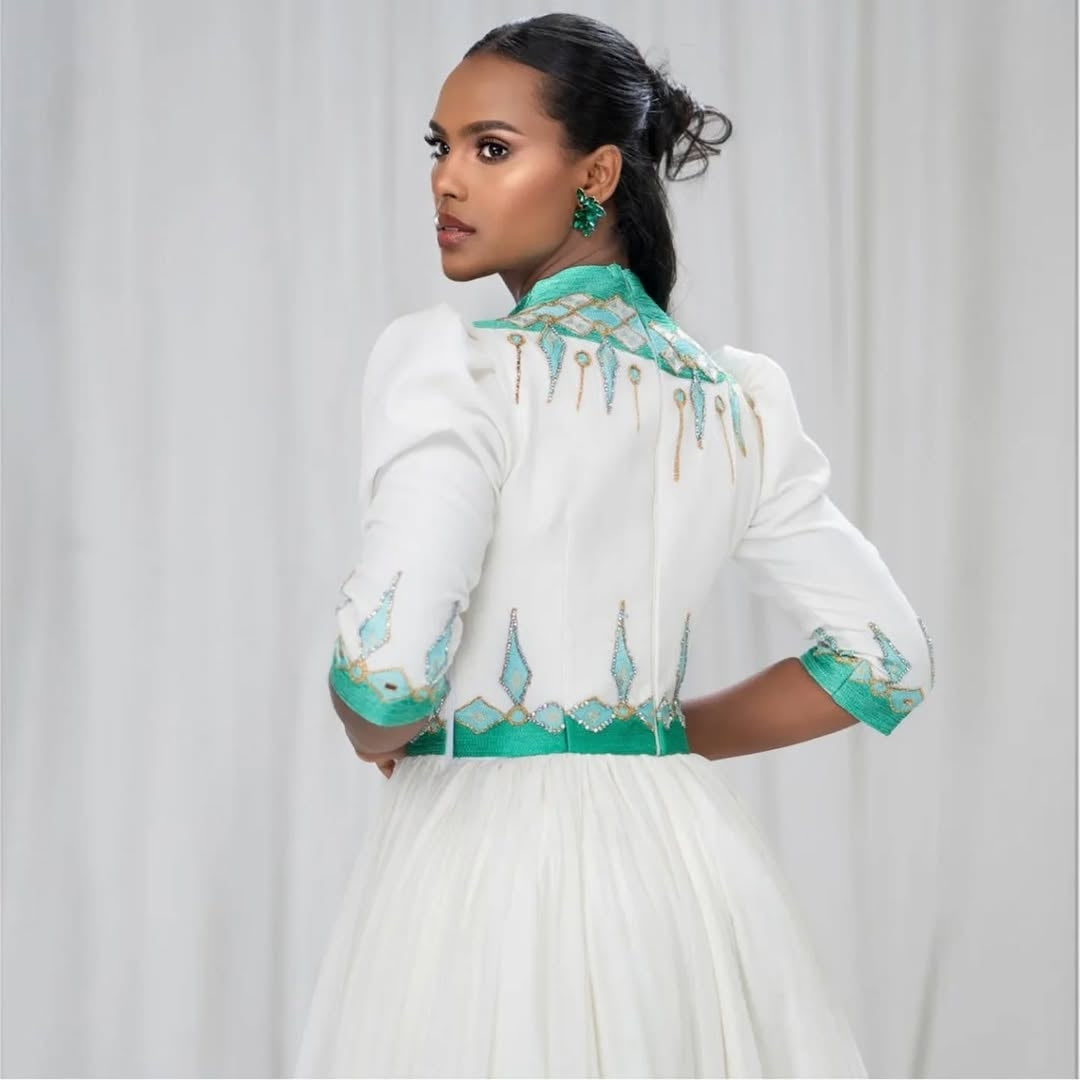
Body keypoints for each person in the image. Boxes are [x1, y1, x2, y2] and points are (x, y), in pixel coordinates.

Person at [293, 13, 935, 1078]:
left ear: (595, 172)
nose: (448, 179)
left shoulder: (457, 371)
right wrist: (646, 736)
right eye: (441, 147)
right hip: (684, 876)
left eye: (492, 148)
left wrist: (375, 728)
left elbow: (387, 684)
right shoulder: (735, 402)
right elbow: (888, 659)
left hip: (490, 878)